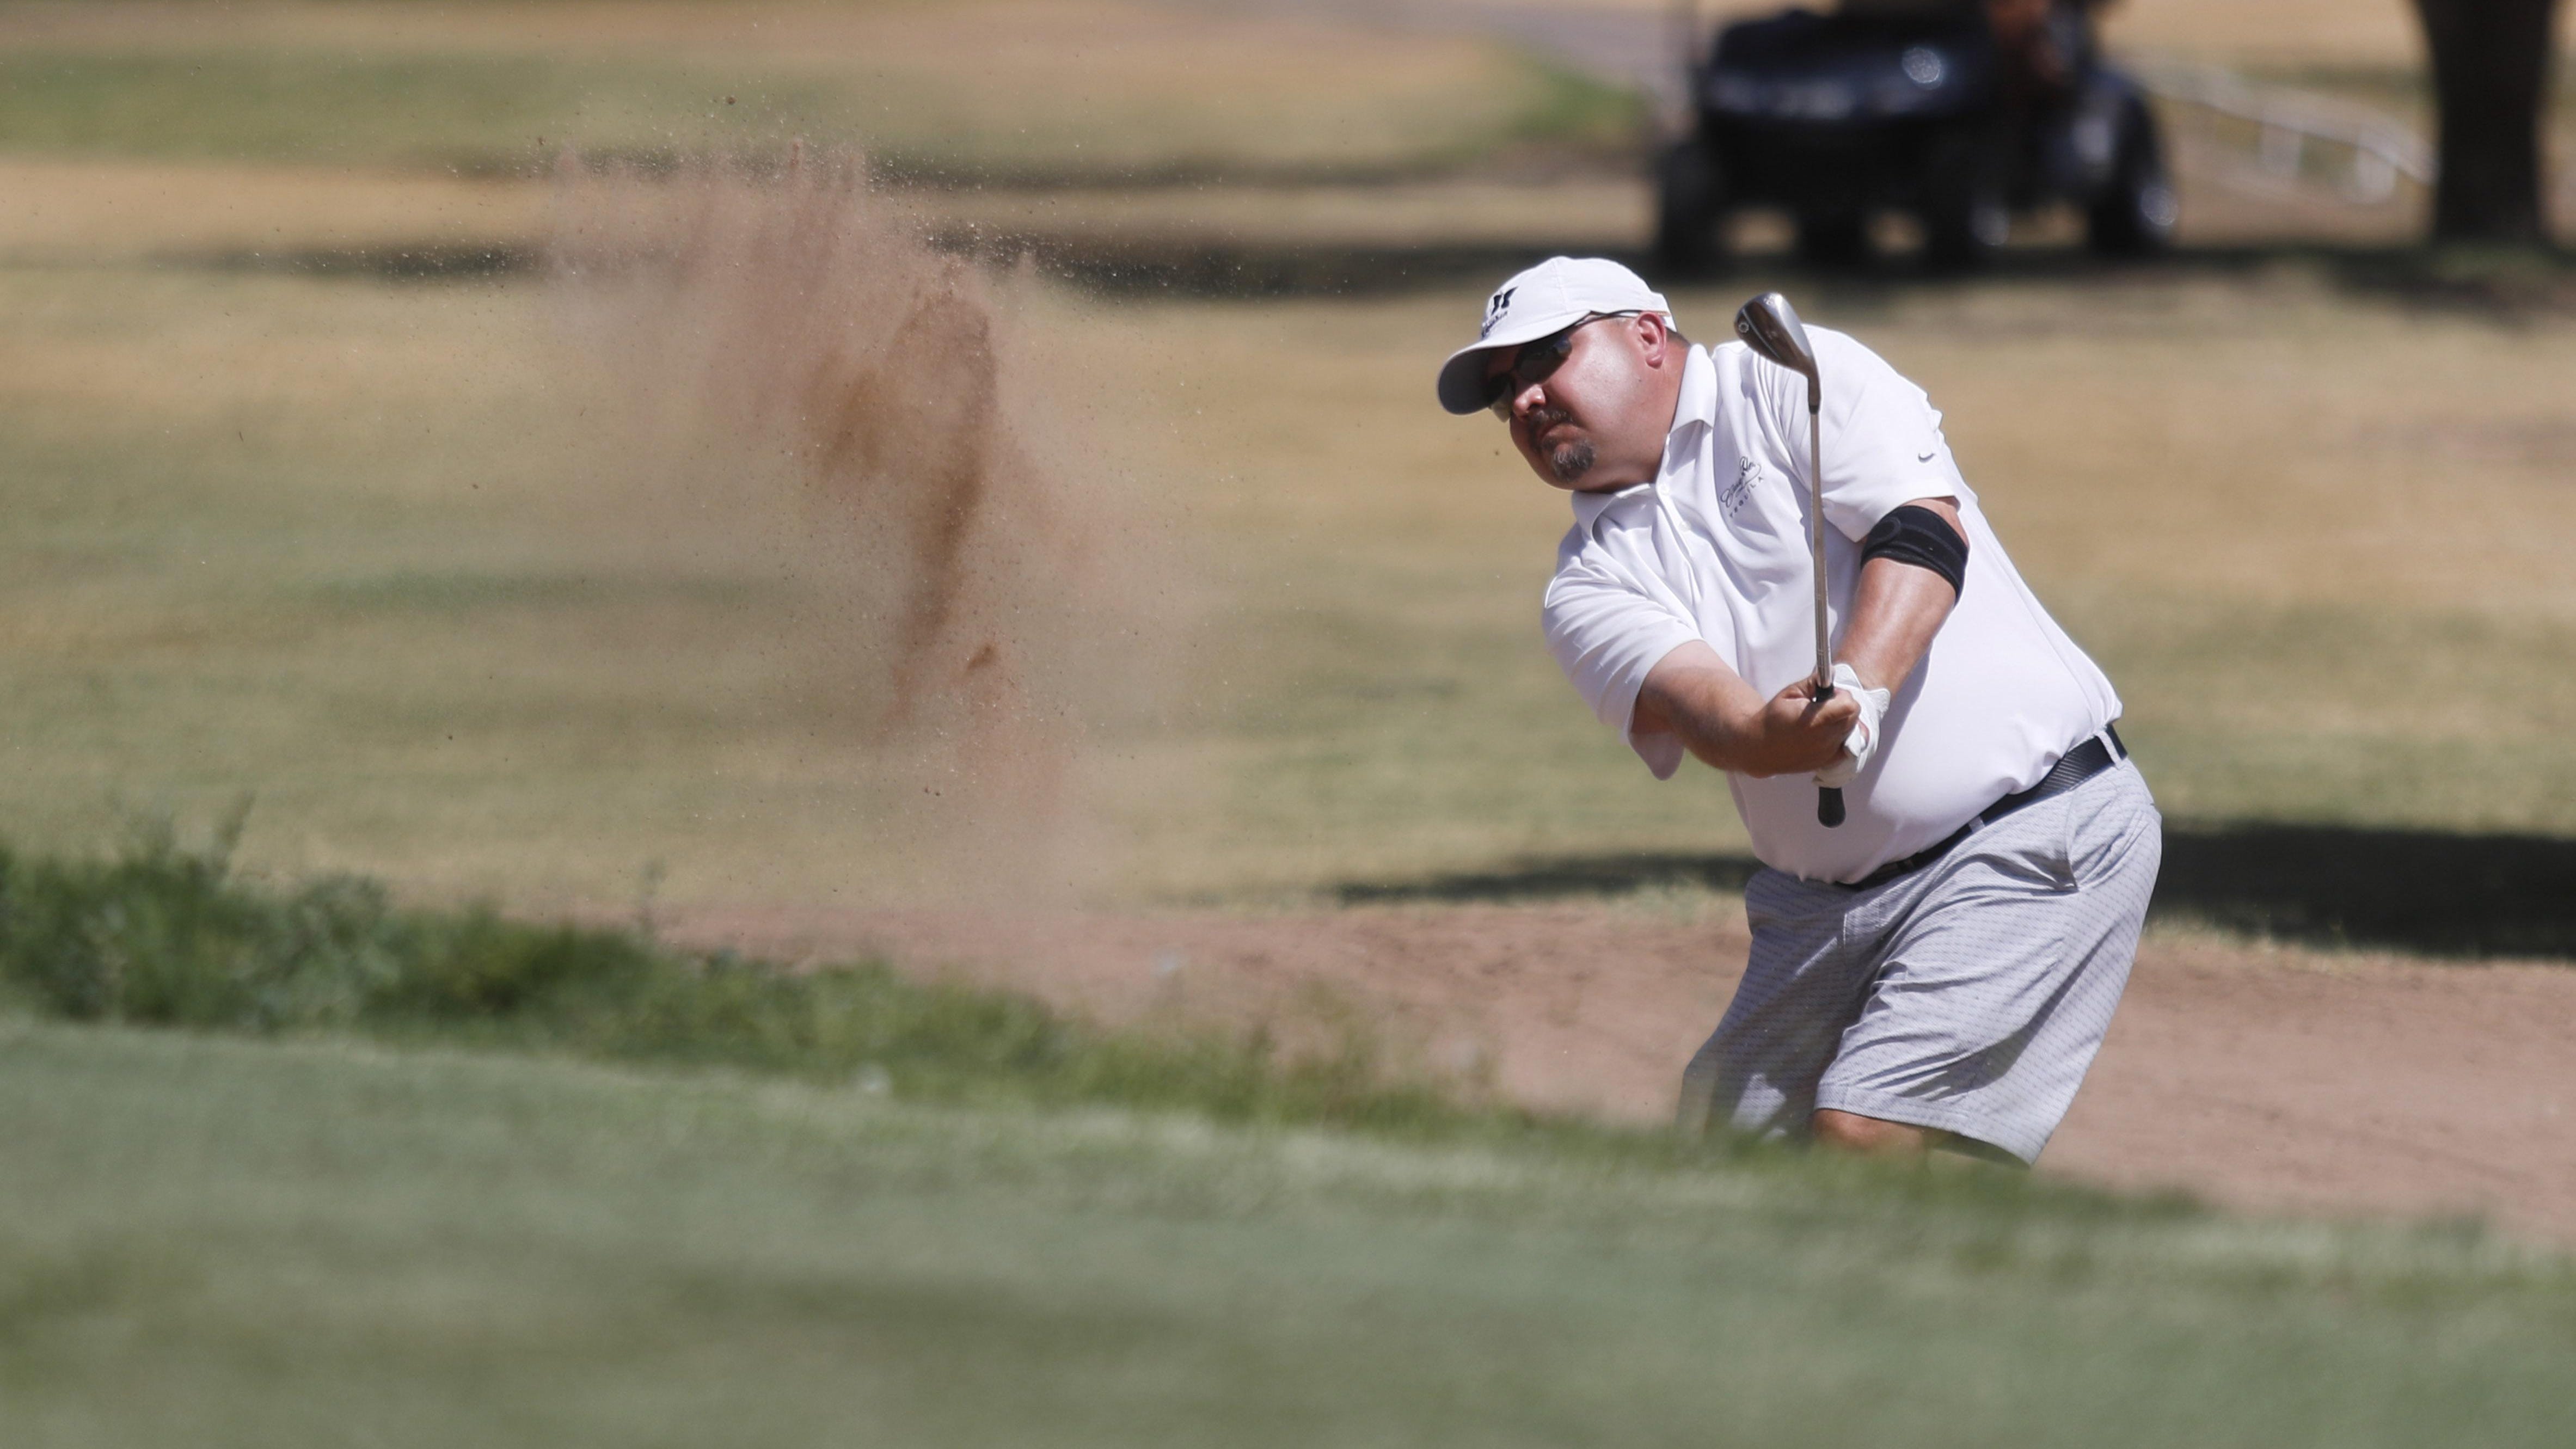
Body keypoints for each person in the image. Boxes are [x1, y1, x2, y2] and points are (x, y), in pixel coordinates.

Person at [1436, 256, 2160, 1163]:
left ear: (1648, 335)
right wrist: (1770, 737)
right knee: (1715, 1163)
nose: (1528, 401)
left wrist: (1857, 686)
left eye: (1546, 358)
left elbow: (1925, 533)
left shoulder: (1789, 378)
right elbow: (1709, 713)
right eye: (1504, 395)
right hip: (1824, 910)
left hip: (2028, 829)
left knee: (1864, 1130)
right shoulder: (1585, 581)